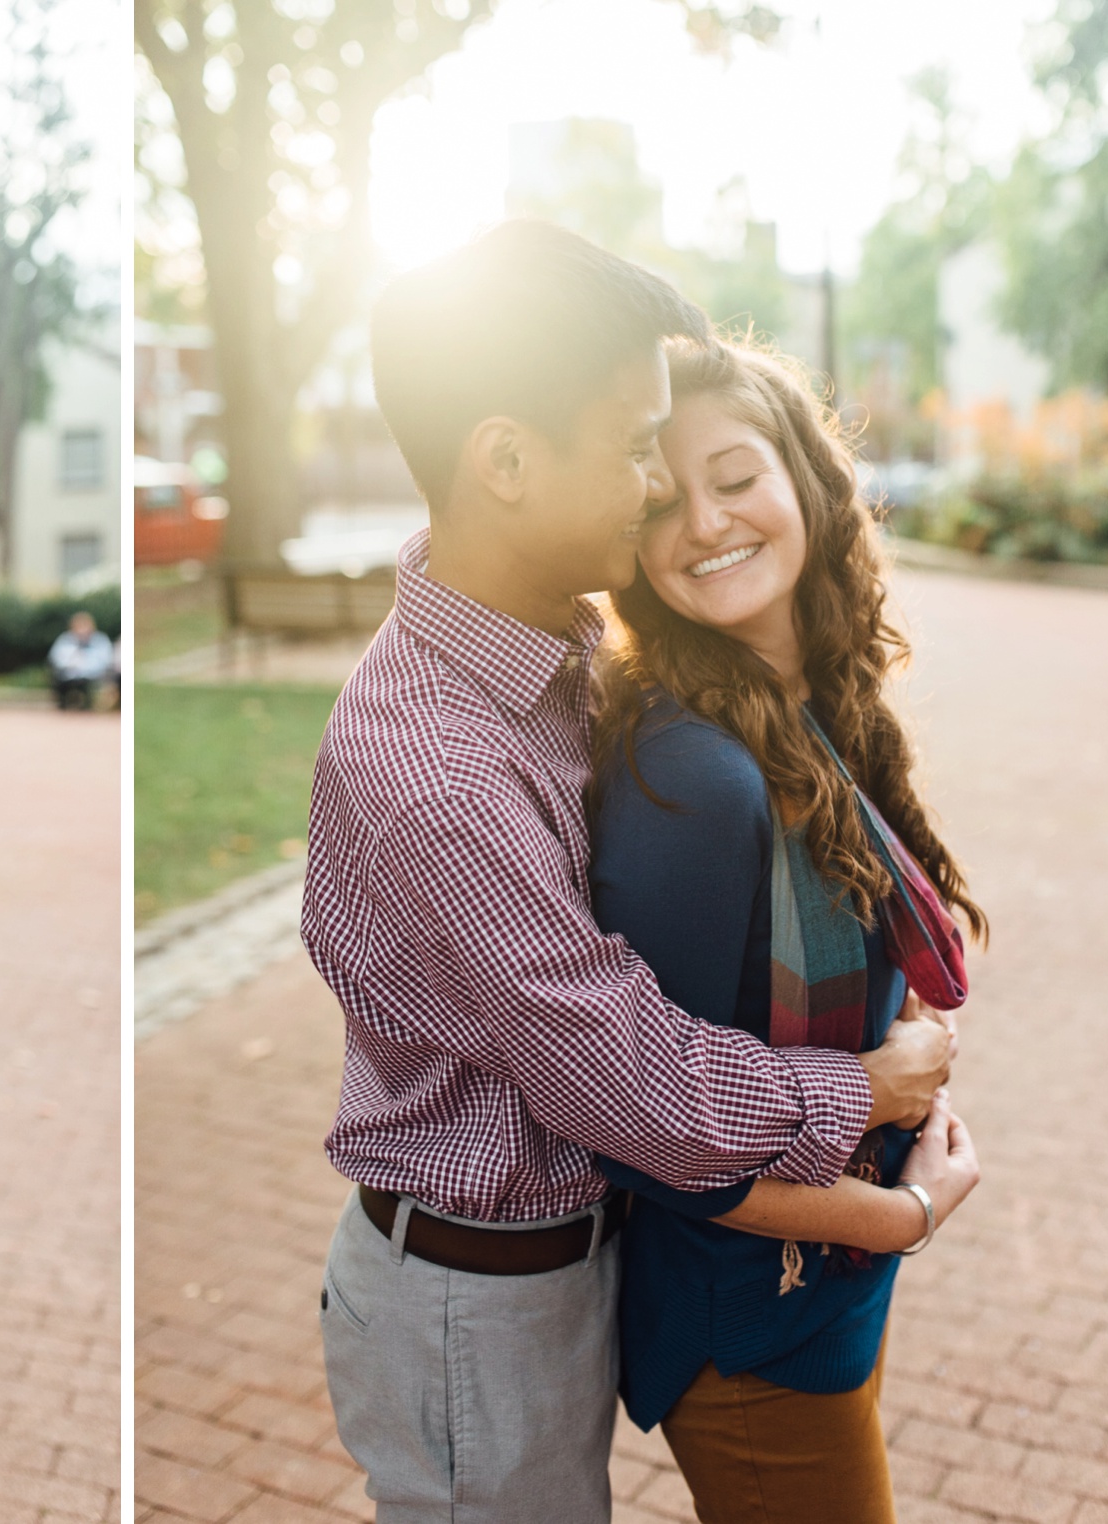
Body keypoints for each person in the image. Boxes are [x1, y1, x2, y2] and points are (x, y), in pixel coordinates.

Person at [302, 221, 955, 1523]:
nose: (663, 485)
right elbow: (629, 1073)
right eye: (635, 445)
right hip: (475, 1302)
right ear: (506, 460)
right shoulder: (437, 775)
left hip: (560, 1261)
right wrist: (865, 1093)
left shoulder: (544, 646)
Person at [589, 339, 985, 1520]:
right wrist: (900, 1209)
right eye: (660, 499)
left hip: (817, 1291)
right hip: (747, 1325)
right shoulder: (694, 777)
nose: (703, 521)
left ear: (806, 481)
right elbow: (654, 1136)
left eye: (732, 475)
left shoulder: (801, 716)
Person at [48, 609, 115, 709]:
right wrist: (70, 664)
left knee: (87, 684)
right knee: (58, 680)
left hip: (91, 674)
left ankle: (87, 707)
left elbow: (105, 661)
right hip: (68, 674)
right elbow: (56, 658)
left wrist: (85, 667)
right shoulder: (65, 640)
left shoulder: (100, 640)